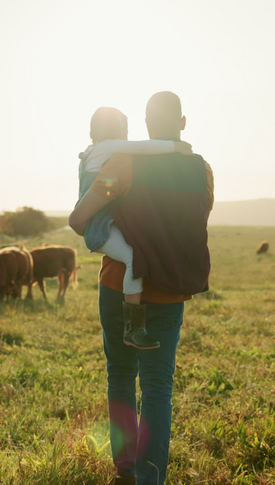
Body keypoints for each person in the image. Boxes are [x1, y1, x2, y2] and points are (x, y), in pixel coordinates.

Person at [69, 91, 213, 485]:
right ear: (181, 123)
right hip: (169, 291)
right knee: (157, 390)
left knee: (120, 377)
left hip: (118, 287)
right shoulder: (202, 171)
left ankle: (125, 474)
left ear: (145, 128)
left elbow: (80, 219)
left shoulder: (123, 162)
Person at [77, 106, 193, 350]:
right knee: (134, 257)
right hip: (101, 226)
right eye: (125, 130)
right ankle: (134, 328)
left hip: (103, 223)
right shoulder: (109, 148)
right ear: (118, 131)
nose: (128, 136)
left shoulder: (92, 151)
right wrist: (176, 147)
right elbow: (145, 148)